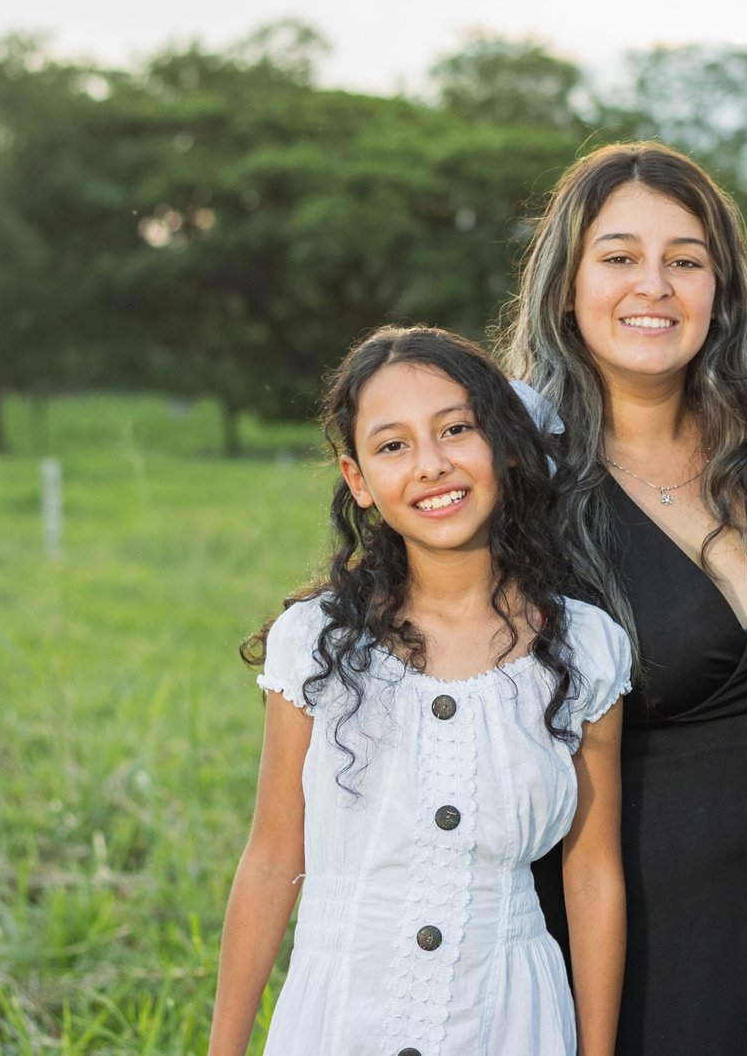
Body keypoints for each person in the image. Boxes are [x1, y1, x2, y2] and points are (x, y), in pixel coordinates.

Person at [208, 326, 629, 1056]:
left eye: (456, 430)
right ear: (358, 479)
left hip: (509, 1020)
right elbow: (274, 858)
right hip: (341, 1018)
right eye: (393, 445)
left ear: (503, 446)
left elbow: (592, 877)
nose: (431, 465)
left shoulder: (585, 649)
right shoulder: (316, 642)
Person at [504, 141, 747, 1056]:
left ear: (721, 290)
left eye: (684, 261)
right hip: (634, 935)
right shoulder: (518, 486)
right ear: (568, 286)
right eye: (618, 258)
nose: (653, 285)